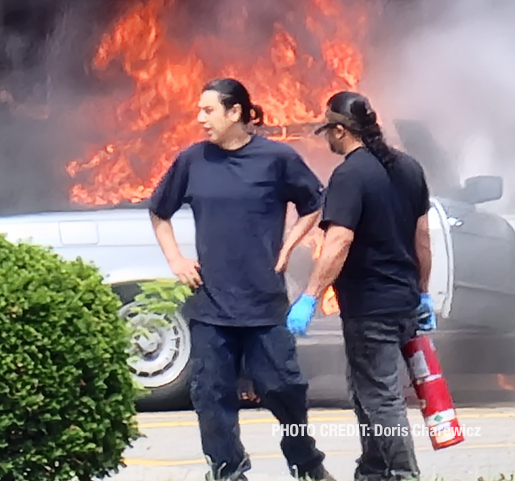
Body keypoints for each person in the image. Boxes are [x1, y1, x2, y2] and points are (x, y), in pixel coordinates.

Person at [148, 78, 335, 481]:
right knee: (211, 395)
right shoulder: (191, 160)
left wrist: (289, 245)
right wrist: (176, 259)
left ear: (236, 113)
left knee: (285, 388)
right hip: (210, 304)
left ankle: (305, 461)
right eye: (199, 111)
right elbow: (159, 212)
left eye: (208, 110)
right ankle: (228, 468)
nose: (200, 119)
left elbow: (313, 205)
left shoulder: (277, 158)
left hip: (264, 302)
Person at [287, 91, 436, 481]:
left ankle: (403, 473)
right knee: (364, 391)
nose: (327, 140)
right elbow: (423, 237)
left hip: (371, 309)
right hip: (403, 304)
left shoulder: (351, 174)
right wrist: (422, 292)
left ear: (341, 130)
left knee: (381, 399)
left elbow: (339, 242)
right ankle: (373, 470)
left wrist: (308, 296)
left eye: (328, 132)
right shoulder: (408, 168)